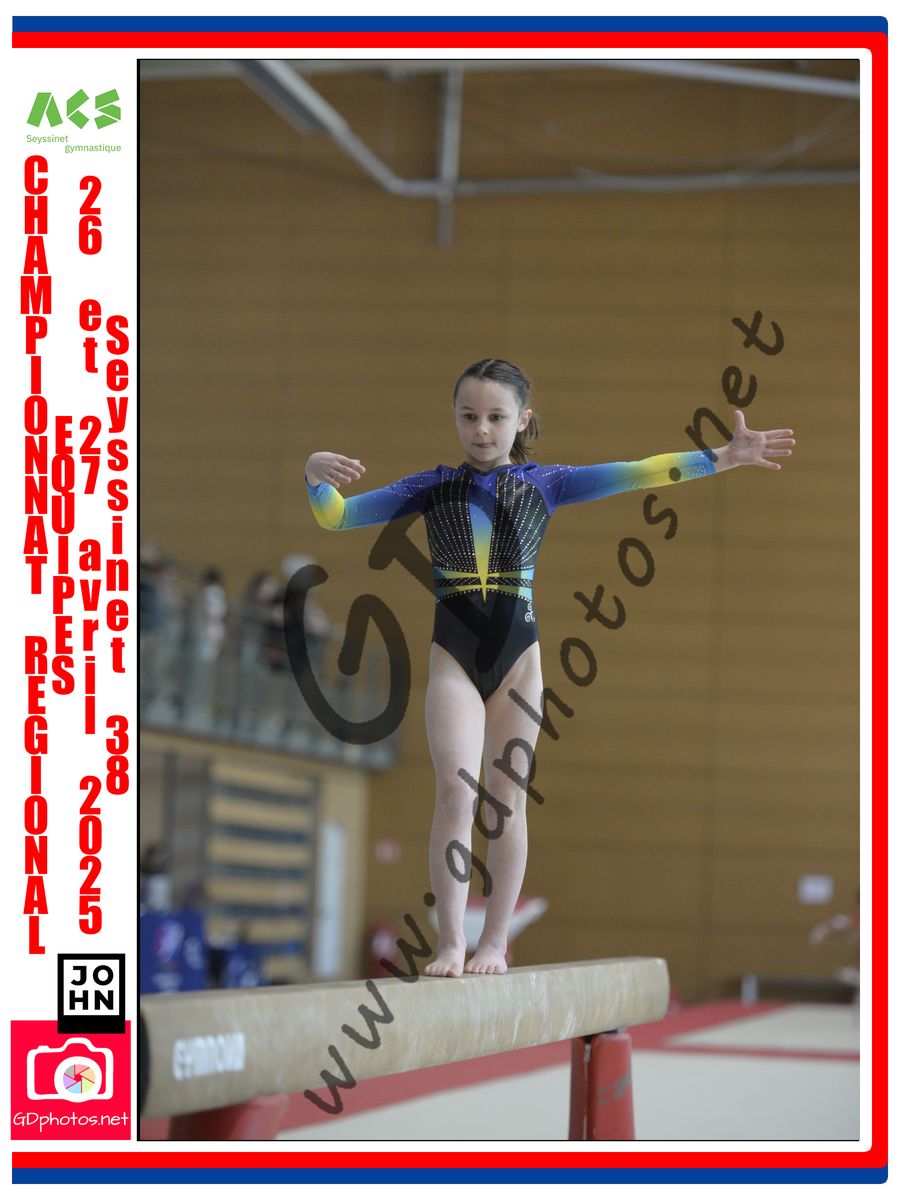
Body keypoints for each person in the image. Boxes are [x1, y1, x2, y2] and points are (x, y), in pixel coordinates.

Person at [305, 358, 796, 977]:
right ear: (454, 417)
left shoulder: (549, 483)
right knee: (455, 794)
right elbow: (338, 516)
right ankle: (452, 942)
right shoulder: (430, 488)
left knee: (505, 802)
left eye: (496, 417)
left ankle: (494, 943)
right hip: (454, 660)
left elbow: (640, 472)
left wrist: (721, 457)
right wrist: (314, 477)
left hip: (519, 664)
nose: (481, 429)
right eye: (469, 416)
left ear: (522, 420)